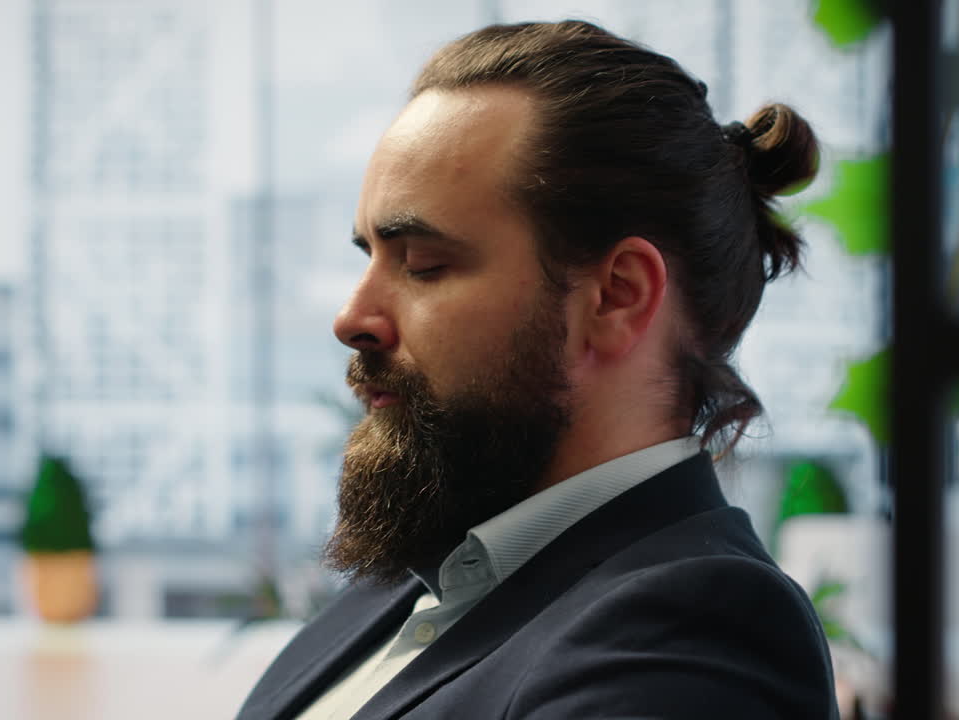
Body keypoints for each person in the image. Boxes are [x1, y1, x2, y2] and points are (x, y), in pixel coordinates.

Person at [238, 19, 838, 720]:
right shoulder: (406, 587)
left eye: (424, 266)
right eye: (365, 255)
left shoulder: (702, 636)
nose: (352, 317)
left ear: (618, 296)